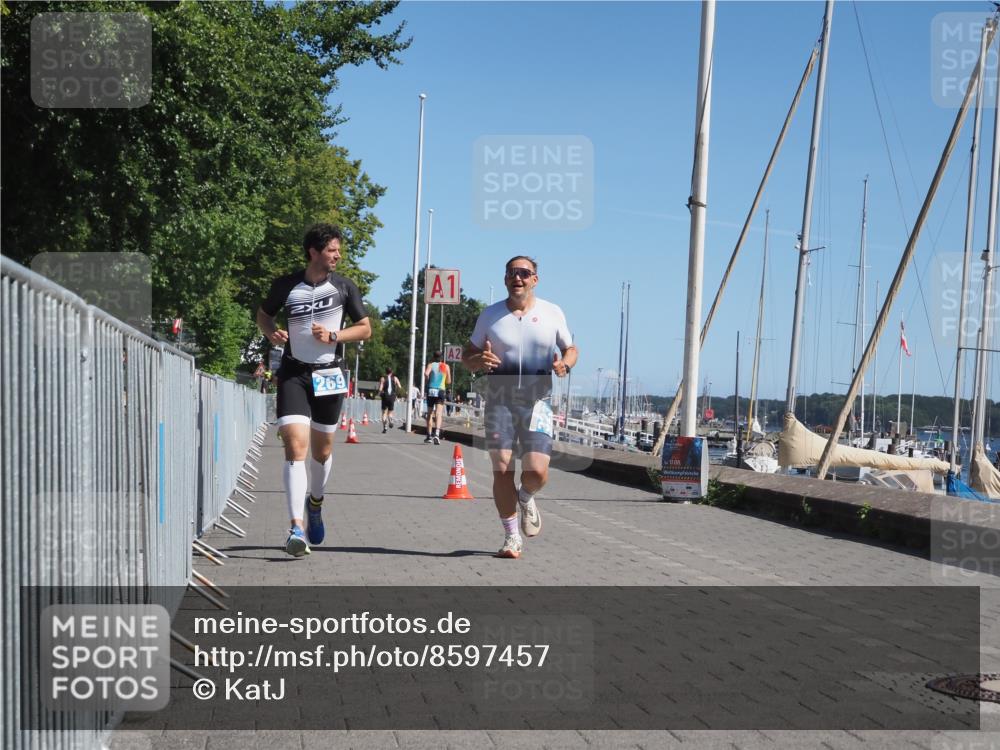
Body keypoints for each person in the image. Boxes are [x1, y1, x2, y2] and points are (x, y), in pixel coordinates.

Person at [256, 224, 371, 557]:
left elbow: (365, 329)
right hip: (293, 372)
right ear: (314, 252)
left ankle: (315, 502)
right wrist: (271, 333)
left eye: (338, 250)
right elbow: (264, 316)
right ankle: (295, 527)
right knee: (295, 446)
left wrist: (335, 336)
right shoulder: (286, 285)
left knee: (322, 452)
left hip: (329, 375)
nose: (338, 255)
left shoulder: (344, 287)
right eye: (333, 250)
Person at [462, 255, 577, 559]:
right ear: (505, 279)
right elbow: (467, 356)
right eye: (512, 273)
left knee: (537, 472)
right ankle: (512, 536)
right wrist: (478, 361)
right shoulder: (489, 316)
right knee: (502, 467)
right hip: (499, 399)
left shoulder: (552, 313)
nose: (518, 278)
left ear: (534, 279)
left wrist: (564, 364)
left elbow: (571, 348)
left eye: (524, 273)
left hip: (537, 401)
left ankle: (526, 497)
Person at [423, 352, 451, 445]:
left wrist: (428, 380)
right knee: (439, 413)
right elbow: (448, 381)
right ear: (441, 357)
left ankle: (429, 435)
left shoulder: (430, 365)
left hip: (431, 389)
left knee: (430, 413)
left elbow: (426, 374)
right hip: (440, 390)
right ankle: (437, 434)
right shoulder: (446, 366)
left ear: (433, 357)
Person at [377, 367, 402, 433]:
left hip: (385, 395)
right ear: (392, 372)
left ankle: (385, 427)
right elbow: (400, 387)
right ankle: (390, 419)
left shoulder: (383, 378)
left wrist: (378, 394)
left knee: (384, 413)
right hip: (392, 396)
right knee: (390, 412)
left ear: (386, 371)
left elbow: (380, 388)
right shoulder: (395, 378)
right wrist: (396, 393)